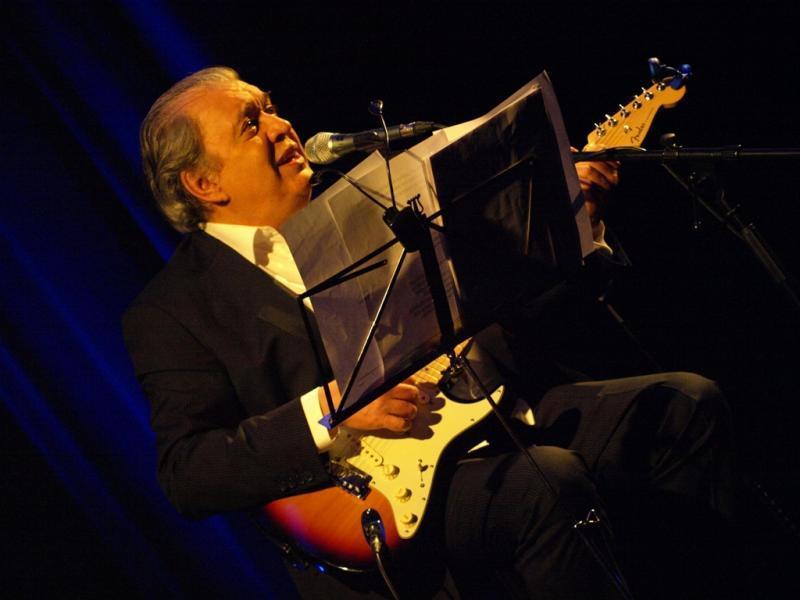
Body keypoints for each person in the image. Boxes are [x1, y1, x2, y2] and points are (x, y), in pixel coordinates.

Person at [124, 66, 734, 599]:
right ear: (204, 184)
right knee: (545, 482)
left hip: (494, 408)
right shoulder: (173, 310)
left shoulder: (371, 201)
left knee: (684, 404)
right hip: (384, 500)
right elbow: (188, 472)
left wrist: (574, 218)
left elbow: (511, 315)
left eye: (272, 108)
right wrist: (329, 412)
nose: (282, 126)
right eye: (250, 125)